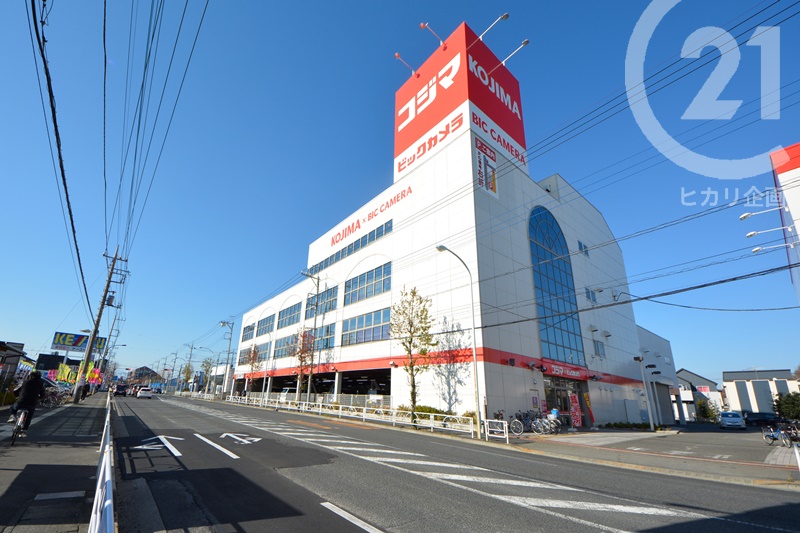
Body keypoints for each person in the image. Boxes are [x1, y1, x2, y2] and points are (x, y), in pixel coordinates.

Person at [7, 371, 46, 436]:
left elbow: (16, 390)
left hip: (21, 401)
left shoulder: (25, 382)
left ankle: (12, 416)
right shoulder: (41, 384)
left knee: (13, 407)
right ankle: (24, 431)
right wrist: (38, 399)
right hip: (32, 403)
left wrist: (17, 395)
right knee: (29, 417)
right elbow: (43, 394)